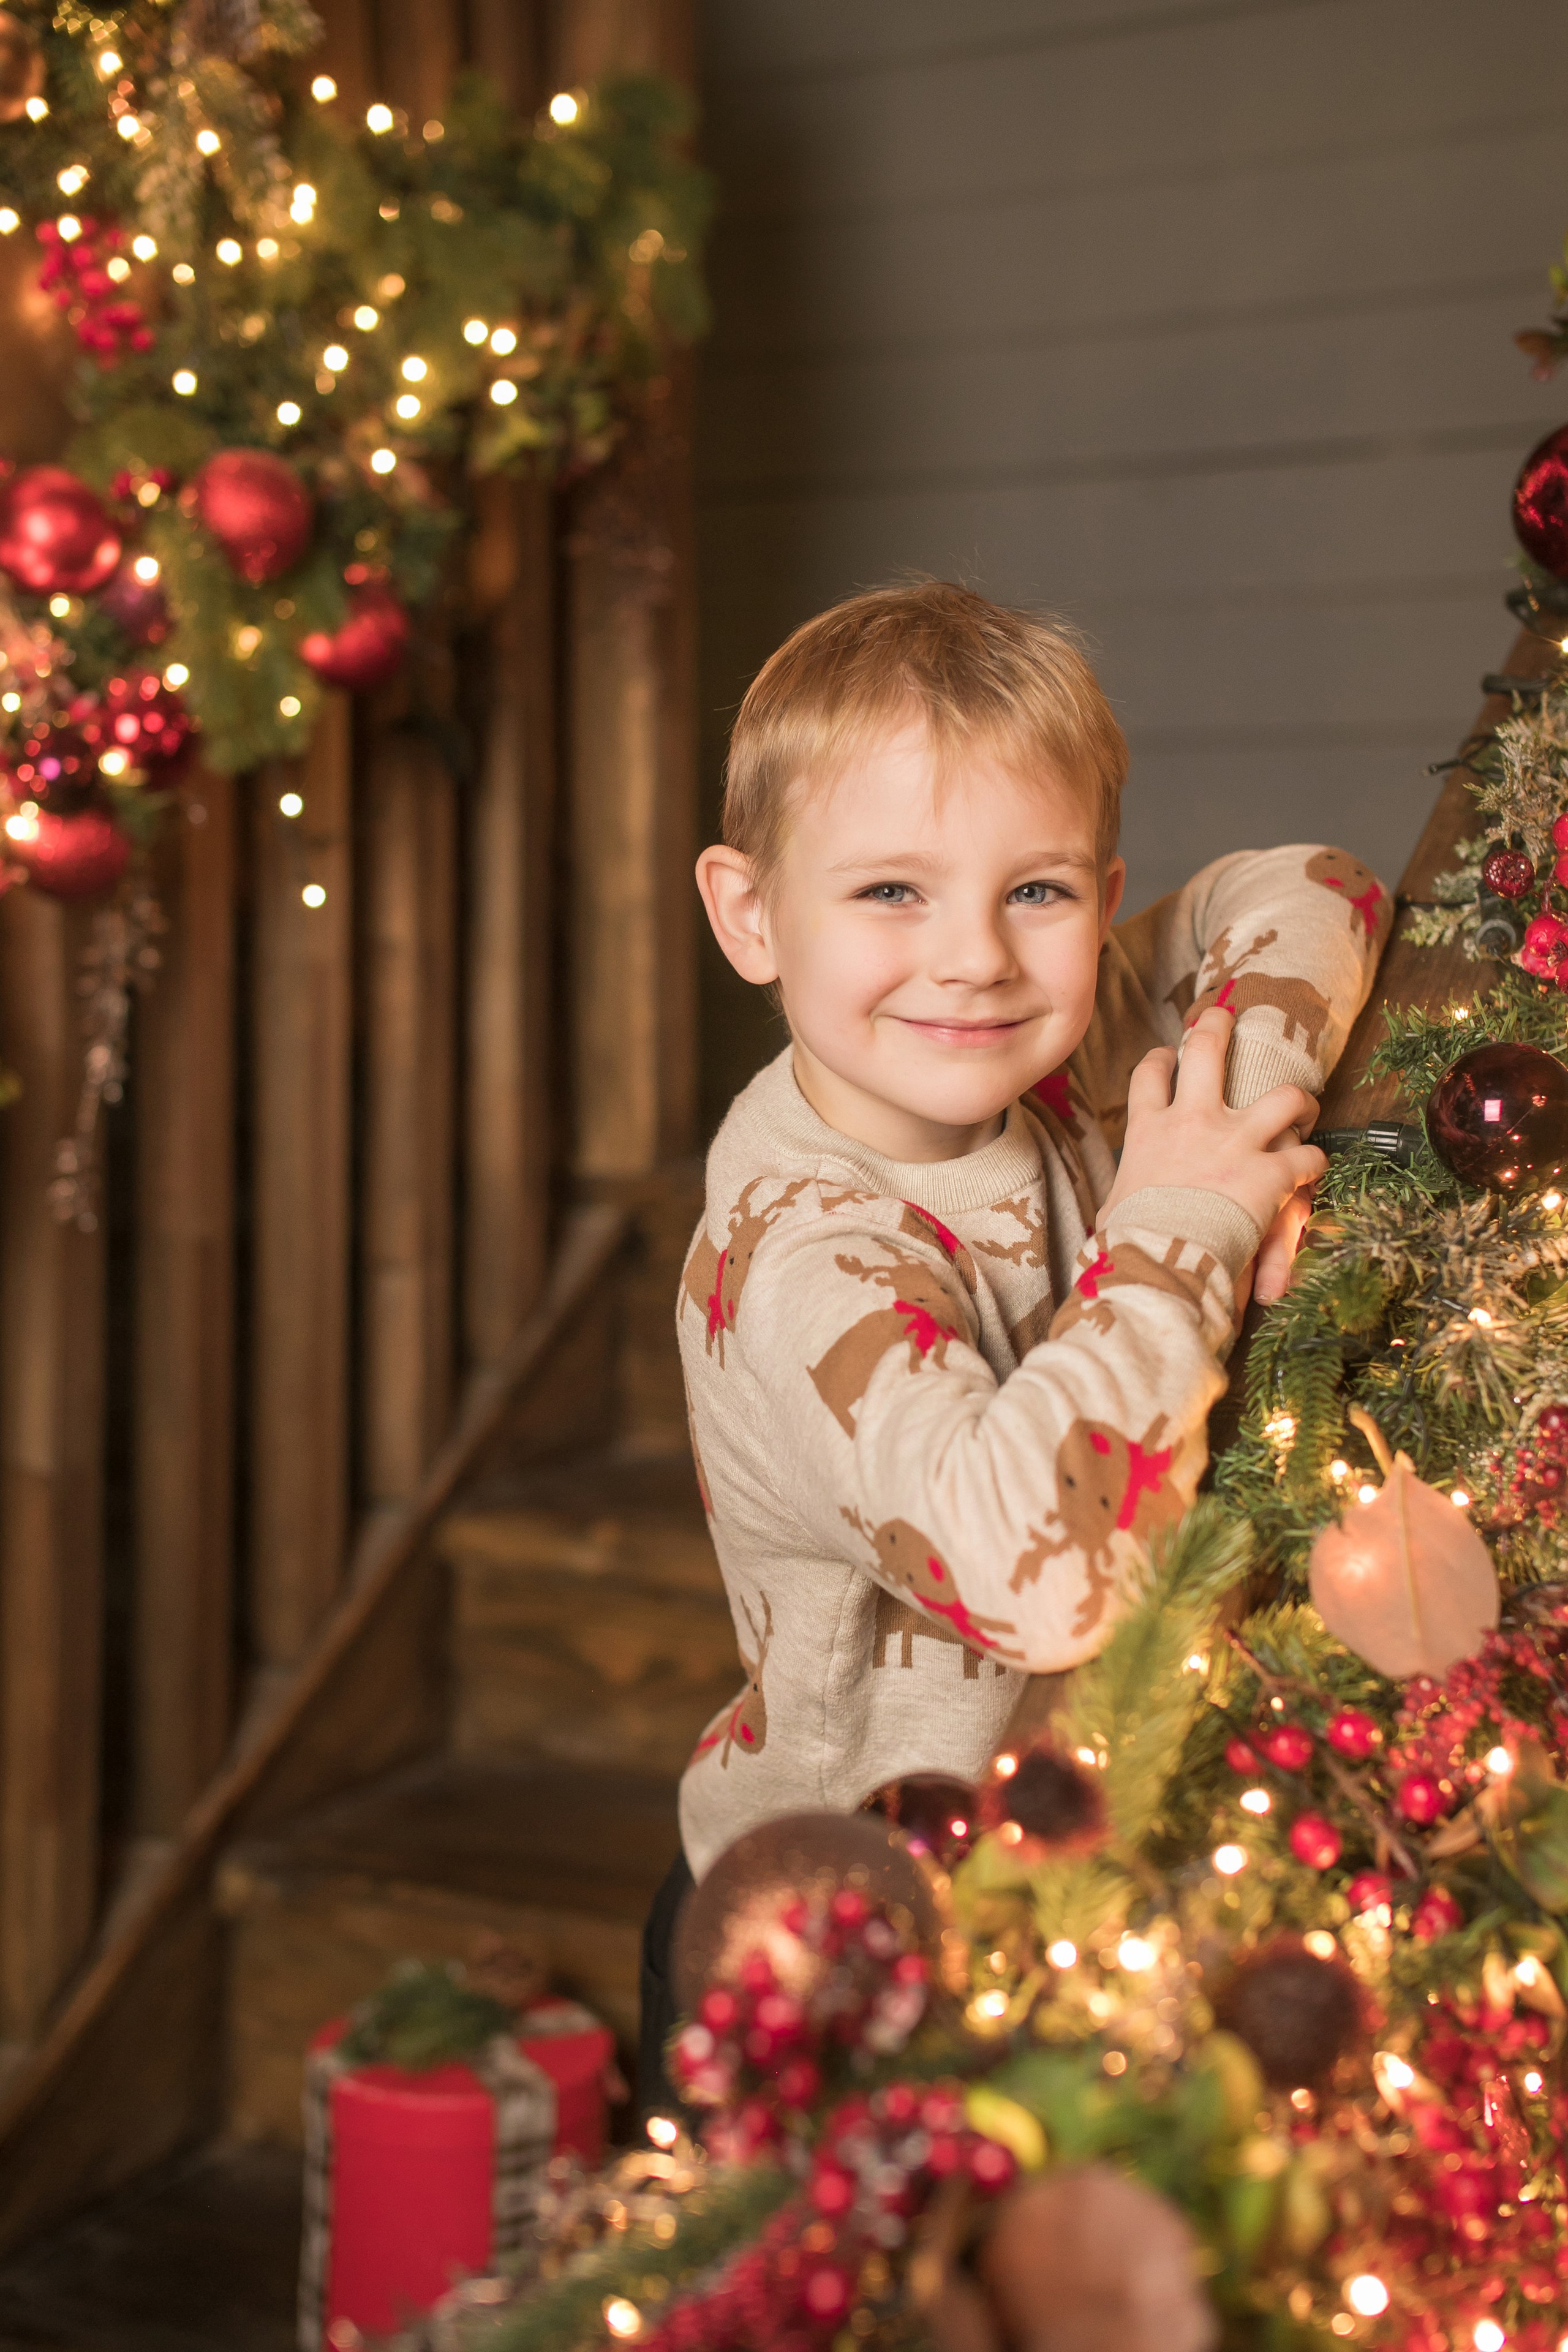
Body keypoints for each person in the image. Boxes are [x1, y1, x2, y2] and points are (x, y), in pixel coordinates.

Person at [635, 581, 1389, 2114]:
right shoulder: (803, 1250)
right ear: (748, 915)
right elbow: (1029, 1576)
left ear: (1100, 896)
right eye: (890, 894)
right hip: (827, 1960)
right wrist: (1182, 1227)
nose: (974, 956)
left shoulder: (1053, 1057)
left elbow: (1312, 887)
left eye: (1034, 891)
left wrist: (1216, 1132)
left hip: (1039, 1904)